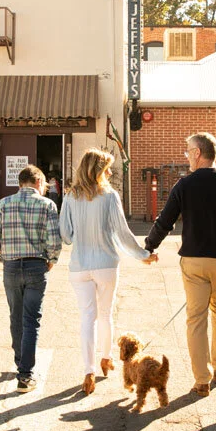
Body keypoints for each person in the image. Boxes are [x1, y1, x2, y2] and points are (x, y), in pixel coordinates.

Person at [144, 132, 216, 398]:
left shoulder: (184, 186)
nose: (185, 156)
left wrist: (149, 246)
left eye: (187, 151)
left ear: (197, 153)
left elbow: (166, 221)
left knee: (196, 318)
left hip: (194, 260)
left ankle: (202, 380)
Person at [60, 148, 158, 396]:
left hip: (79, 266)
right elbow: (122, 233)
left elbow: (66, 235)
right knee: (105, 315)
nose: (111, 172)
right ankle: (106, 358)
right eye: (107, 168)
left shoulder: (71, 197)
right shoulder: (110, 196)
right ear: (97, 170)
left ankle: (88, 370)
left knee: (86, 319)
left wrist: (79, 233)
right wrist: (143, 255)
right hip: (106, 264)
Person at [0, 164, 62, 393]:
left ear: (20, 183)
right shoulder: (47, 205)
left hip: (11, 266)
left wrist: (2, 258)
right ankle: (25, 374)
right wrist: (52, 260)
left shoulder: (3, 204)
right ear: (39, 183)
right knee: (31, 320)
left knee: (16, 316)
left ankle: (20, 362)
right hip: (36, 266)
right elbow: (54, 239)